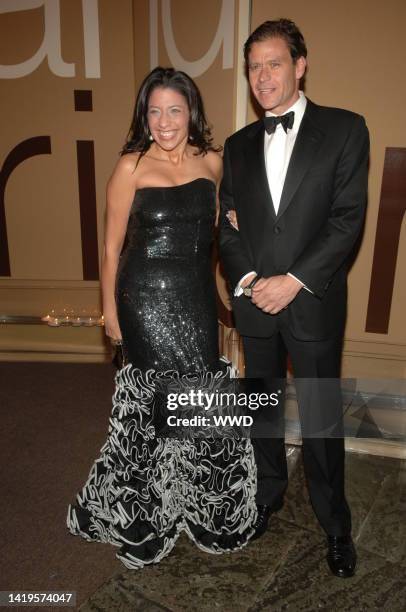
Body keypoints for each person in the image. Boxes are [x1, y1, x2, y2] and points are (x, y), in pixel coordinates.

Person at [67, 67, 257, 569]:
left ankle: (204, 507)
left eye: (174, 109)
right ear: (143, 116)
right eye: (155, 111)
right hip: (142, 298)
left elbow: (232, 221)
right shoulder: (129, 167)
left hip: (194, 300)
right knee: (152, 408)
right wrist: (109, 310)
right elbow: (110, 250)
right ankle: (144, 517)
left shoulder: (214, 162)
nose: (165, 121)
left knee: (197, 402)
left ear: (191, 112)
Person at [219, 19, 369, 578]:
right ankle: (266, 496)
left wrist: (294, 280)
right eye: (254, 66)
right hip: (255, 305)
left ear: (300, 66)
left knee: (323, 420)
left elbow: (347, 219)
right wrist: (254, 281)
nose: (263, 76)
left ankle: (335, 525)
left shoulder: (346, 129)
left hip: (312, 302)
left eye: (274, 63)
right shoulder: (236, 146)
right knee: (262, 412)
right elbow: (227, 227)